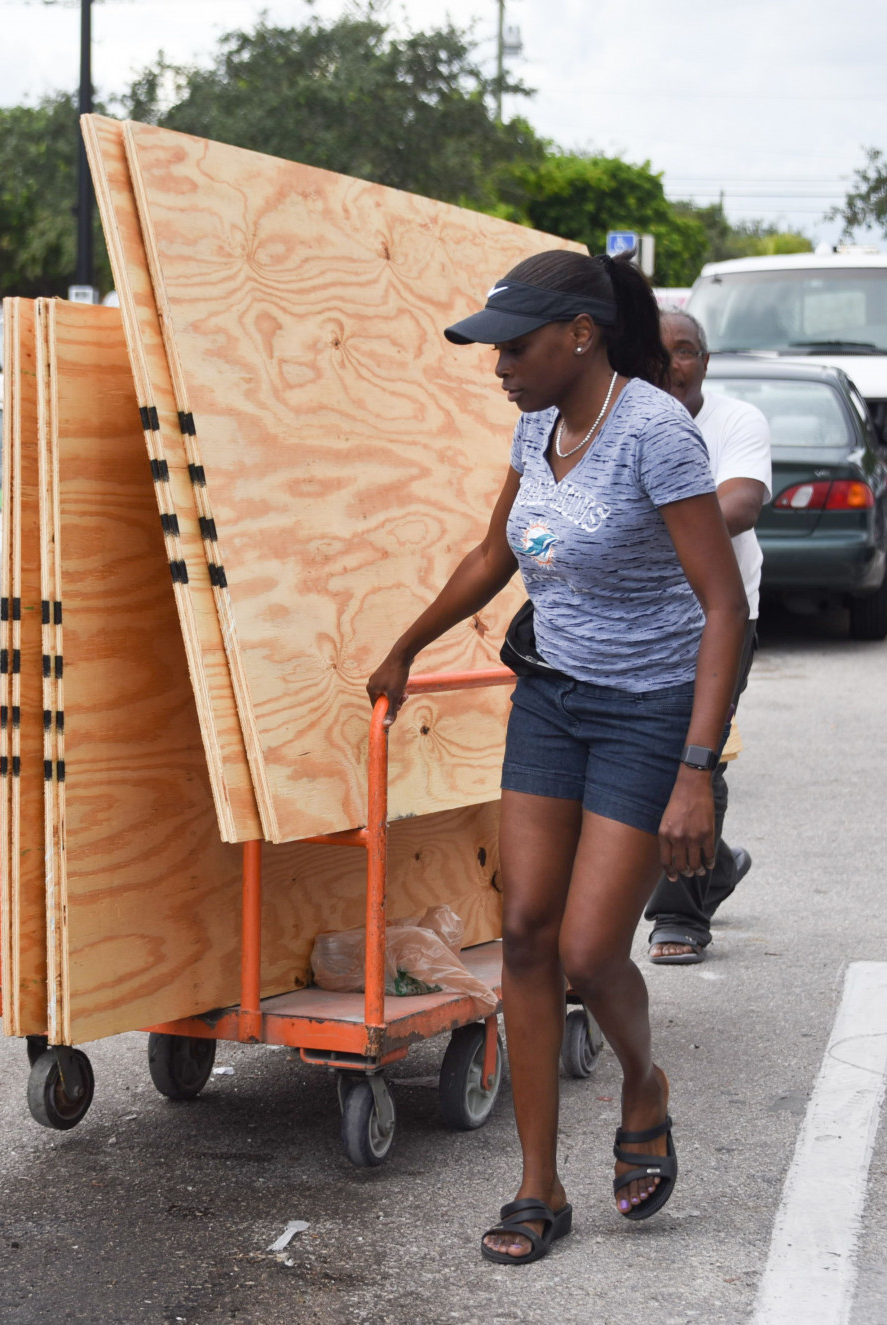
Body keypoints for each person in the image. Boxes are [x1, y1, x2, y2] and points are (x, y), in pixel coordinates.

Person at [367, 251, 747, 1264]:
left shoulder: (655, 433)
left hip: (646, 709)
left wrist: (695, 766)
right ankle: (539, 1183)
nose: (499, 365)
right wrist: (406, 644)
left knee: (587, 949)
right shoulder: (536, 421)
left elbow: (725, 606)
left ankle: (641, 1080)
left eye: (516, 344)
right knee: (526, 936)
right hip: (552, 697)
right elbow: (497, 552)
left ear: (580, 334)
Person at [645, 310, 771, 965]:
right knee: (645, 756)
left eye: (687, 351)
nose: (673, 363)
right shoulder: (628, 416)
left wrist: (650, 521)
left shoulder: (736, 421)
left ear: (706, 361)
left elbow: (742, 503)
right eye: (660, 352)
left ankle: (681, 913)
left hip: (722, 612)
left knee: (699, 753)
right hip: (642, 613)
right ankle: (716, 861)